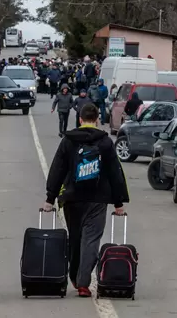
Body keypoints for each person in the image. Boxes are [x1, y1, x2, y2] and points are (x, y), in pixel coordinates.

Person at [43, 103, 129, 297]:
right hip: (98, 200)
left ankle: (73, 276)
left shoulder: (68, 141)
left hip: (72, 198)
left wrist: (50, 198)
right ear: (97, 119)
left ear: (80, 119)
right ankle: (83, 283)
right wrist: (118, 203)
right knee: (91, 240)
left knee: (74, 238)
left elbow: (58, 169)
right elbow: (115, 173)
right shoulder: (105, 142)